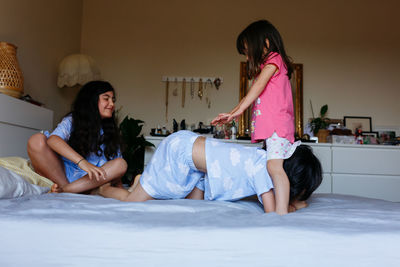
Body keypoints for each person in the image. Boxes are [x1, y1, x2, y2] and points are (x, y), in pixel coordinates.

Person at [99, 131, 322, 214]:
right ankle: (104, 188)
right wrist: (295, 206)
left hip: (196, 166)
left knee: (190, 202)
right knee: (132, 202)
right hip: (181, 153)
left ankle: (142, 181)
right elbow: (274, 214)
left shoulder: (264, 161)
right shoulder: (264, 171)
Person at [211, 20, 298, 214]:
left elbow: (256, 89)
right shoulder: (270, 65)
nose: (248, 56)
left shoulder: (275, 60)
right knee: (271, 167)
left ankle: (281, 212)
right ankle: (286, 207)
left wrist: (237, 112)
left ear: (265, 43)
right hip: (273, 127)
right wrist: (233, 113)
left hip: (278, 126)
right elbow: (253, 92)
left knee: (274, 167)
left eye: (248, 50)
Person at [27, 80, 127, 194]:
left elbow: (116, 170)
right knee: (36, 140)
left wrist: (120, 188)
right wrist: (83, 163)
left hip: (90, 181)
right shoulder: (73, 120)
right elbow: (53, 140)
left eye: (113, 100)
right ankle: (67, 187)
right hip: (62, 176)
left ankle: (66, 191)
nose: (112, 104)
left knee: (121, 163)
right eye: (106, 98)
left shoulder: (111, 132)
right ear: (92, 100)